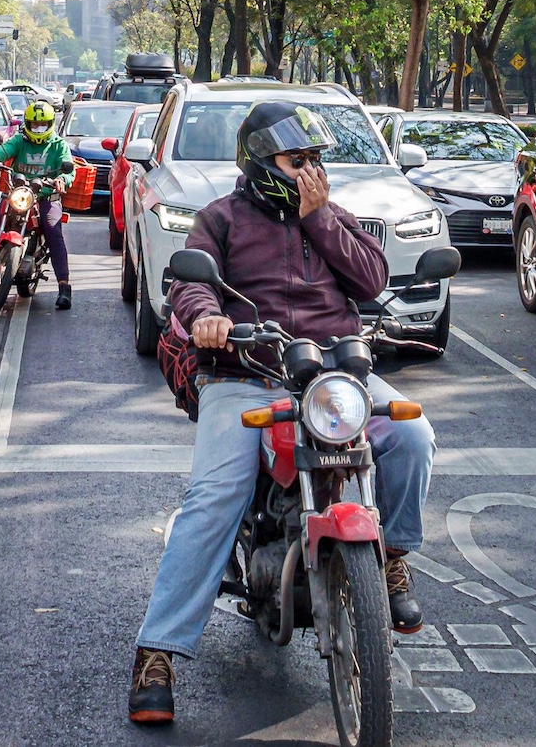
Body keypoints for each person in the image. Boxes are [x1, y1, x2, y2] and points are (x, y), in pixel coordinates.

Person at [126, 101, 436, 727]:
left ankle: (393, 555)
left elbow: (371, 281)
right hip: (248, 375)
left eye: (317, 161)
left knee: (411, 434)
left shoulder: (331, 215)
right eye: (300, 162)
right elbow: (188, 283)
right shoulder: (220, 219)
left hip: (332, 375)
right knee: (217, 493)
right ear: (263, 164)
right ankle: (157, 651)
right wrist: (206, 318)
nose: (312, 172)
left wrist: (320, 219)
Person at [0, 99, 73, 310]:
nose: (38, 128)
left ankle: (64, 287)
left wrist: (62, 179)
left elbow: (68, 169)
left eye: (43, 124)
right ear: (27, 124)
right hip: (17, 195)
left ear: (51, 124)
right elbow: (4, 150)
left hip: (45, 198)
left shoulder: (58, 145)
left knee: (54, 234)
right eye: (34, 124)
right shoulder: (19, 140)